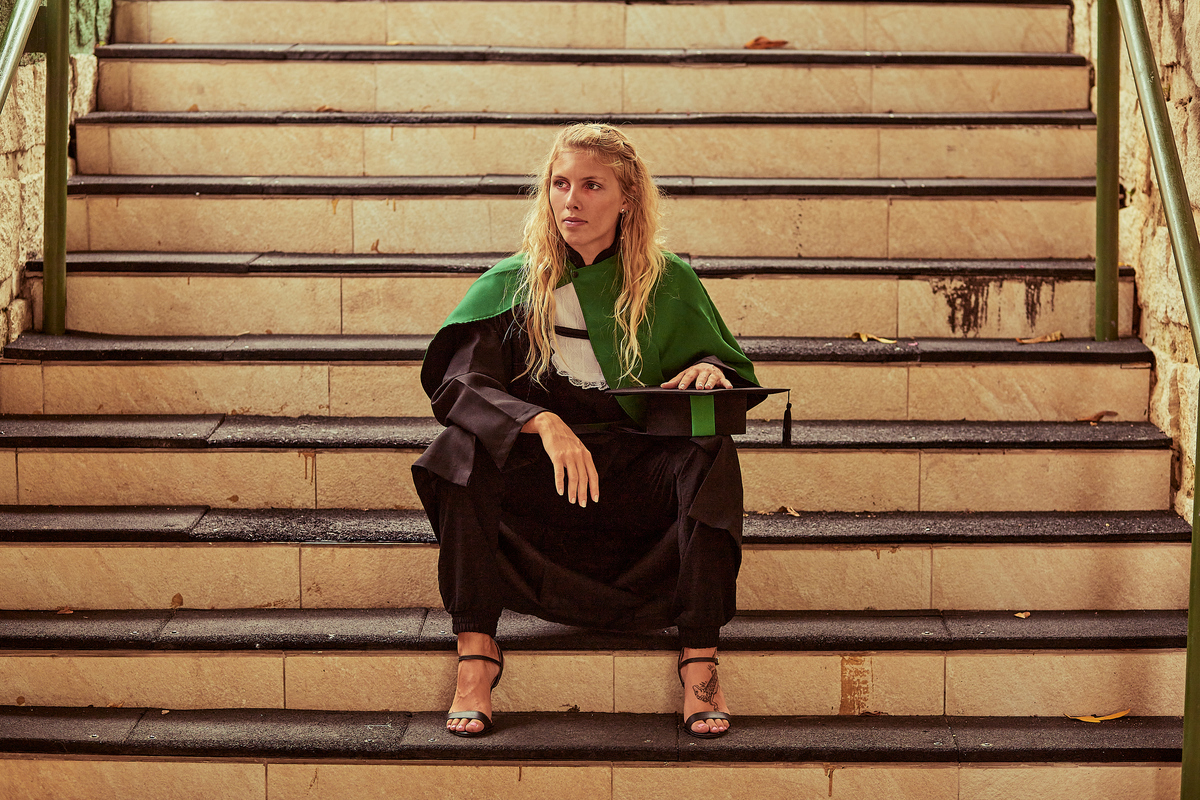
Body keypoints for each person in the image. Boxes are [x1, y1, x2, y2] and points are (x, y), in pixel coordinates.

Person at [411, 123, 765, 739]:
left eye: (592, 185)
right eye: (560, 184)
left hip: (635, 486)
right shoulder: (512, 284)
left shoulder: (668, 281)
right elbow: (460, 385)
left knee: (711, 453)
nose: (570, 200)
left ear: (627, 199)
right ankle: (476, 652)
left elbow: (725, 368)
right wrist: (539, 421)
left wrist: (710, 368)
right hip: (544, 489)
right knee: (458, 448)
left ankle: (700, 658)